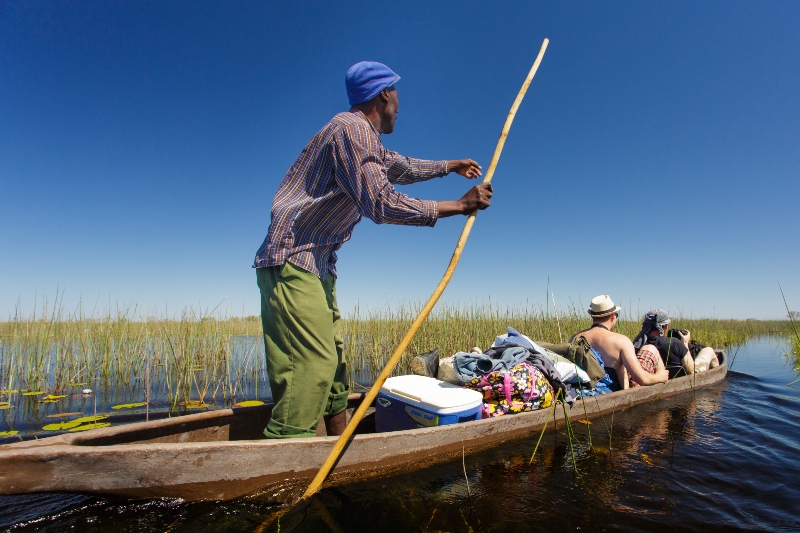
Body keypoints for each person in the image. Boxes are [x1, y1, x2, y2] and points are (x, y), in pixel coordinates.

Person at [253, 61, 493, 439]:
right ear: (384, 94)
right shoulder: (351, 132)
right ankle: (284, 453)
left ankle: (336, 445)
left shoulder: (366, 140)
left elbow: (402, 166)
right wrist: (459, 206)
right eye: (397, 94)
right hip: (292, 258)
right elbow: (381, 202)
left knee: (335, 369)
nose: (400, 103)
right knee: (312, 367)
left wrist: (450, 166)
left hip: (317, 265)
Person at [570, 295, 669, 391]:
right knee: (651, 348)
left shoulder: (574, 338)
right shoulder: (621, 341)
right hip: (610, 392)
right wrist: (661, 376)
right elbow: (643, 379)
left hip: (583, 390)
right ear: (613, 316)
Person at [632, 309, 719, 378]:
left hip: (658, 377)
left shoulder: (640, 344)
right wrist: (685, 343)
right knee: (709, 350)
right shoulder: (675, 343)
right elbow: (691, 371)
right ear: (665, 327)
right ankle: (716, 378)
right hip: (684, 377)